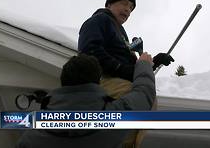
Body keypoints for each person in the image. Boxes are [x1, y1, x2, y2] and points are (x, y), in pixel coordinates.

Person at [78, 0, 174, 147]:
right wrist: (120, 69)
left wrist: (153, 62)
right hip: (110, 82)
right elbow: (90, 50)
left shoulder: (121, 33)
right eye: (124, 3)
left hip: (129, 88)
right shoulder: (99, 20)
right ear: (109, 4)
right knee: (118, 134)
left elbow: (130, 67)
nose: (128, 10)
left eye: (131, 7)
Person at [16, 52, 156, 148]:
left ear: (63, 81)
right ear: (98, 82)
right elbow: (144, 92)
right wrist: (144, 64)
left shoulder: (30, 137)